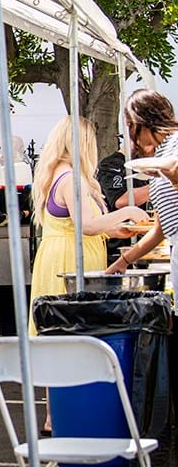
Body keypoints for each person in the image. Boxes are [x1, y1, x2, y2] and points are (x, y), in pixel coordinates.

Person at [31, 116, 146, 334]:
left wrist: (112, 231)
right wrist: (128, 212)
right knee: (72, 327)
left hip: (60, 254)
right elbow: (87, 225)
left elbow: (73, 223)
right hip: (71, 259)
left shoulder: (57, 173)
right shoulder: (70, 178)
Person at [107, 89, 178, 279]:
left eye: (130, 125)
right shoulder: (159, 157)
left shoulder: (175, 145)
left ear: (141, 122)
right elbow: (160, 229)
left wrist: (174, 179)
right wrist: (123, 262)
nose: (130, 134)